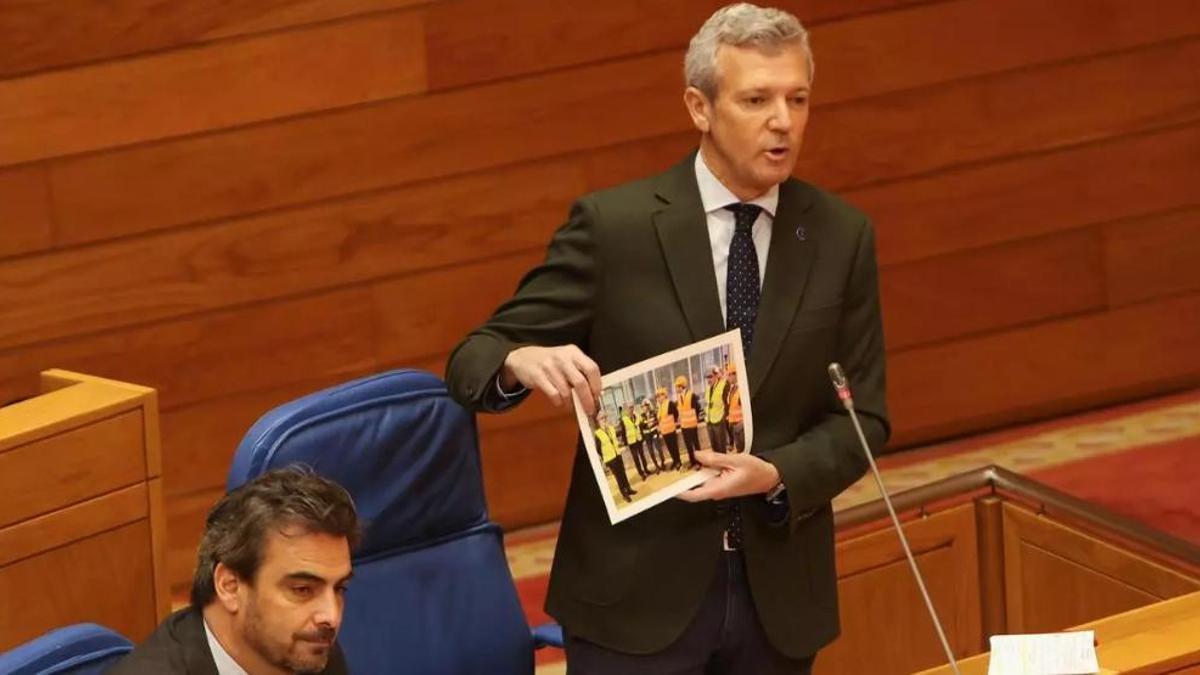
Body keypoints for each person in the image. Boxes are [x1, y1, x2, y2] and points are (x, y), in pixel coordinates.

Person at [445, 3, 888, 673]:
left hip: (777, 599)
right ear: (699, 107)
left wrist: (776, 473)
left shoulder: (840, 235)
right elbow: (472, 359)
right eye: (757, 100)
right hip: (634, 598)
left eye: (797, 99)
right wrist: (520, 359)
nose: (783, 121)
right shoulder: (615, 228)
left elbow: (863, 418)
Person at [110, 467, 360, 675]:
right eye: (302, 589)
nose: (331, 616)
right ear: (229, 586)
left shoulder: (310, 647)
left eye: (339, 588)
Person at [596, 409, 637, 502]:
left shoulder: (611, 429)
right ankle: (624, 494)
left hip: (617, 455)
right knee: (618, 476)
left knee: (623, 473)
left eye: (605, 418)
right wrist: (605, 457)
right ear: (598, 421)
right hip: (610, 459)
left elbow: (615, 440)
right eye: (602, 418)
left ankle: (628, 489)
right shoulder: (598, 434)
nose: (604, 420)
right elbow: (598, 449)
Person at [676, 375, 706, 468]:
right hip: (684, 426)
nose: (676, 389)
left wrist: (694, 419)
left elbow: (697, 408)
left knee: (696, 444)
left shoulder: (691, 395)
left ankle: (699, 462)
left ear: (681, 386)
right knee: (688, 445)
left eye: (677, 387)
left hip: (692, 425)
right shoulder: (679, 397)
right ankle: (692, 462)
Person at [655, 387, 684, 470]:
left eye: (660, 396)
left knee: (674, 447)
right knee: (670, 448)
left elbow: (676, 414)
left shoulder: (670, 403)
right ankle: (674, 461)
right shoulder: (660, 407)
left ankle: (678, 462)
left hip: (671, 429)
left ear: (664, 395)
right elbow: (659, 419)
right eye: (657, 397)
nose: (658, 398)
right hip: (664, 431)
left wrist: (672, 422)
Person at [704, 366, 731, 454]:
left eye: (710, 377)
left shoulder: (723, 385)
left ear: (716, 376)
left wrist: (724, 416)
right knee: (714, 448)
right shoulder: (708, 389)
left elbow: (727, 403)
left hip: (719, 421)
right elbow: (707, 404)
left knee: (721, 447)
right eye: (707, 377)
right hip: (709, 421)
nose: (709, 380)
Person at [639, 398, 666, 472]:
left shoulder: (653, 413)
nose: (643, 408)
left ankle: (663, 462)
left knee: (658, 448)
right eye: (642, 407)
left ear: (648, 406)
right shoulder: (641, 416)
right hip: (647, 435)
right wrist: (645, 425)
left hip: (654, 432)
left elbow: (657, 421)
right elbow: (641, 426)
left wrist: (652, 424)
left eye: (644, 406)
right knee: (651, 451)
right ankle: (656, 466)